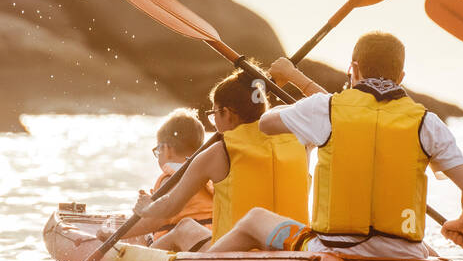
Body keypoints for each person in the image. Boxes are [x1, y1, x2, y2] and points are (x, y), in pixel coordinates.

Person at [194, 31, 463, 259]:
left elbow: (265, 124)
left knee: (255, 219)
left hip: (334, 250)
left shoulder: (328, 109)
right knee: (426, 250)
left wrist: (276, 92)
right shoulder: (427, 122)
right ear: (401, 77)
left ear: (354, 69)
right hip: (403, 252)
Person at [100, 68, 309, 251]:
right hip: (294, 247)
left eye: (213, 113)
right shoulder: (300, 137)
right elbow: (330, 106)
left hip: (232, 256)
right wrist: (295, 76)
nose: (214, 121)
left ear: (226, 112)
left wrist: (146, 207)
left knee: (186, 227)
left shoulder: (217, 153)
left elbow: (170, 206)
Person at [142, 109, 212, 242]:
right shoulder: (207, 177)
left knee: (143, 237)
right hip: (210, 237)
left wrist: (145, 209)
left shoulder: (168, 180)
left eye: (157, 151)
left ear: (167, 149)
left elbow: (152, 222)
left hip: (180, 243)